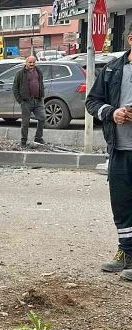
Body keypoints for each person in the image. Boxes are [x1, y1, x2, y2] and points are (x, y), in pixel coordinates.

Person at [86, 25, 132, 282]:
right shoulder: (113, 69)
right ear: (130, 39)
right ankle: (126, 253)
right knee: (122, 205)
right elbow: (92, 101)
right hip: (120, 149)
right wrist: (111, 113)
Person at [12, 56, 45, 148]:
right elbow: (15, 88)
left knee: (42, 118)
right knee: (25, 123)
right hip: (26, 101)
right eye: (30, 62)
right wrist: (20, 100)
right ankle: (23, 141)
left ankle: (38, 138)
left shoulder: (38, 71)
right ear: (26, 62)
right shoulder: (20, 73)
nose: (32, 64)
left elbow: (41, 83)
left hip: (38, 100)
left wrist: (41, 95)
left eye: (33, 62)